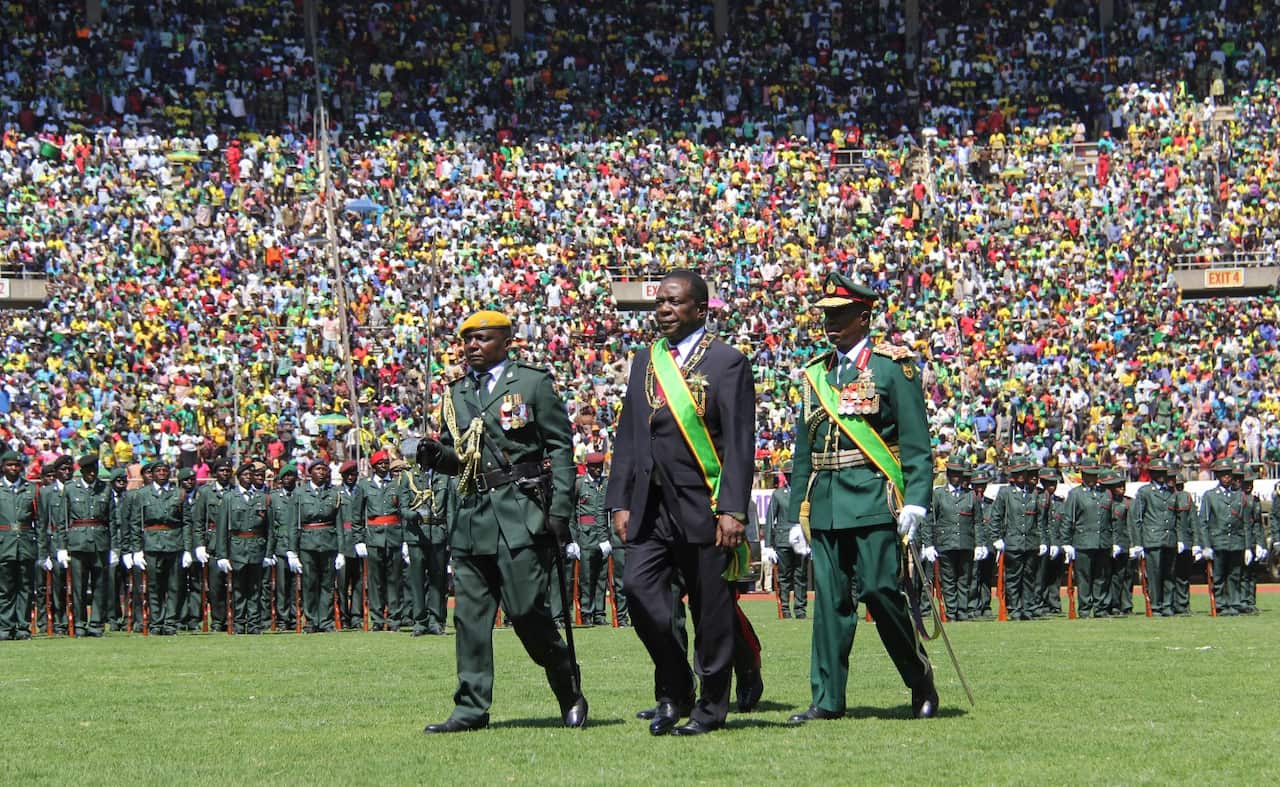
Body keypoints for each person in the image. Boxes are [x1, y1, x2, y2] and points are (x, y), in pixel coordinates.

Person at [416, 308, 586, 733]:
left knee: (528, 613)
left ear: (506, 341)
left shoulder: (531, 383)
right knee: (470, 618)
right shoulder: (454, 394)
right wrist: (439, 458)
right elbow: (466, 461)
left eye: (482, 339)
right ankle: (471, 707)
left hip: (520, 514)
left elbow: (560, 450)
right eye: (467, 340)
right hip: (473, 517)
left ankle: (567, 685)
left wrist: (561, 509)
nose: (471, 346)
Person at [606, 270, 755, 736]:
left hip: (704, 507)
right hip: (650, 508)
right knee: (639, 592)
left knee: (710, 612)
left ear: (699, 310)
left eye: (674, 303)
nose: (664, 311)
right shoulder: (644, 362)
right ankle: (675, 688)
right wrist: (619, 502)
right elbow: (629, 435)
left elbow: (739, 443)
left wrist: (732, 509)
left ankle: (709, 708)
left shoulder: (728, 362)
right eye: (660, 304)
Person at [784, 271, 936, 723]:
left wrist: (916, 501)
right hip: (828, 502)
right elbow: (803, 453)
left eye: (841, 315)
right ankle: (827, 699)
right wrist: (796, 515)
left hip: (872, 497)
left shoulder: (893, 368)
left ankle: (918, 676)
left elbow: (915, 442)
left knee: (879, 591)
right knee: (830, 604)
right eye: (826, 315)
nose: (830, 323)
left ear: (864, 316)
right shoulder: (818, 374)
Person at [54, 454, 114, 637]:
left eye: (95, 470)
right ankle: (79, 624)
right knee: (78, 587)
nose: (92, 474)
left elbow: (113, 520)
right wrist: (62, 547)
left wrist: (115, 547)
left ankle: (96, 624)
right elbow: (62, 520)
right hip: (78, 542)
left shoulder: (105, 488)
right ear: (82, 471)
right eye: (88, 471)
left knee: (99, 585)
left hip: (100, 542)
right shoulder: (71, 489)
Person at [130, 460, 190, 635]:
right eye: (159, 471)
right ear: (153, 473)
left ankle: (170, 622)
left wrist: (187, 549)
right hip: (151, 544)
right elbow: (135, 523)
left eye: (165, 470)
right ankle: (156, 622)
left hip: (174, 543)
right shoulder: (142, 494)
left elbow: (186, 523)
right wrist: (137, 549)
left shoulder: (179, 493)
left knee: (174, 585)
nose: (162, 473)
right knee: (154, 586)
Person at [215, 462, 274, 634]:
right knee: (239, 589)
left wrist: (269, 553)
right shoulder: (229, 498)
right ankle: (239, 623)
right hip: (237, 547)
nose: (248, 477)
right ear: (238, 477)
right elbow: (222, 529)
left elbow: (269, 529)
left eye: (251, 475)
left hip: (257, 547)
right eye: (245, 475)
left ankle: (255, 624)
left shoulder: (262, 497)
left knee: (256, 589)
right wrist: (222, 555)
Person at [356, 450, 411, 631]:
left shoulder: (397, 484)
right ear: (373, 467)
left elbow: (403, 512)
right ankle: (378, 619)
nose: (384, 467)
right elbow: (356, 515)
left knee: (394, 580)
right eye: (380, 464)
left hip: (394, 536)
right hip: (373, 537)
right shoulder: (364, 486)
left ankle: (394, 618)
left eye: (386, 464)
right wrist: (359, 540)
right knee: (375, 581)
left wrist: (404, 540)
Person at [401, 451, 454, 635]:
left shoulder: (444, 478)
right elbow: (402, 506)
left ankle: (436, 620)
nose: (427, 460)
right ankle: (420, 620)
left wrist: (451, 537)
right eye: (423, 457)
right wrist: (412, 515)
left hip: (438, 533)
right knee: (416, 580)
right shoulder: (408, 477)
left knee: (437, 579)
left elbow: (450, 509)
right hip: (416, 534)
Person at [920, 460, 981, 621]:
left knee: (964, 578)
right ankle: (951, 611)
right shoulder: (939, 494)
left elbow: (978, 522)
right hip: (945, 543)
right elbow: (929, 520)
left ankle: (962, 610)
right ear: (947, 475)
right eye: (953, 474)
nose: (956, 477)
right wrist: (928, 544)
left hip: (965, 543)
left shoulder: (971, 495)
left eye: (959, 474)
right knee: (948, 579)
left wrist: (980, 544)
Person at [1194, 459, 1254, 615]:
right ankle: (1220, 604)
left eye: (1229, 475)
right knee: (1219, 575)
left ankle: (1234, 603)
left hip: (1236, 541)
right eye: (1223, 475)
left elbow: (1246, 523)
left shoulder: (1240, 496)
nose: (1227, 478)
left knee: (1235, 574)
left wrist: (1248, 547)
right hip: (1218, 541)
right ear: (1218, 476)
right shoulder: (1210, 496)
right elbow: (1204, 522)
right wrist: (1206, 545)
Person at [290, 460, 342, 632]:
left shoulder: (334, 493)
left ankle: (326, 621)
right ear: (310, 472)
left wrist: (341, 550)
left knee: (327, 584)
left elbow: (339, 523)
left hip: (329, 542)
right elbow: (293, 524)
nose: (322, 472)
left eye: (324, 469)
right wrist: (293, 551)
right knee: (309, 583)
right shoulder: (299, 493)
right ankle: (311, 621)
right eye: (318, 469)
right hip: (307, 543)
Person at [1061, 465, 1115, 618]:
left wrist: (1112, 541)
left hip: (1102, 542)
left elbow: (1111, 519)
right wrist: (1067, 543)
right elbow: (1068, 519)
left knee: (1101, 577)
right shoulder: (1075, 494)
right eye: (1088, 475)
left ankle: (1101, 608)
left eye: (1094, 475)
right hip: (1083, 541)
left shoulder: (1105, 493)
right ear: (1083, 475)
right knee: (1084, 577)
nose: (1091, 478)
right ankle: (1084, 609)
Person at [1127, 460, 1180, 616]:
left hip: (1169, 538)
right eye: (1158, 472)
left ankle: (1167, 605)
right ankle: (1156, 606)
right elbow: (1136, 518)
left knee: (1169, 574)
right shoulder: (1145, 492)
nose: (1162, 476)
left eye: (1164, 472)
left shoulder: (1171, 492)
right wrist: (1137, 543)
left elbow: (1175, 517)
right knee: (1155, 574)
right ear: (1152, 474)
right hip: (1152, 539)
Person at [0, 450, 40, 640]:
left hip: (25, 543)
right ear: (3, 467)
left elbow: (38, 520)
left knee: (25, 587)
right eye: (9, 465)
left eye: (16, 465)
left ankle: (23, 627)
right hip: (4, 544)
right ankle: (6, 627)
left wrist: (41, 546)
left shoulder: (31, 488)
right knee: (5, 588)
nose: (13, 468)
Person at [192, 458, 233, 630]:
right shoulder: (205, 492)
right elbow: (198, 520)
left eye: (227, 470)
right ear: (215, 473)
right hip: (213, 542)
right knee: (215, 585)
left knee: (234, 584)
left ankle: (235, 618)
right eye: (222, 470)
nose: (225, 473)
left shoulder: (236, 492)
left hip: (233, 542)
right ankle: (218, 620)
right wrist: (200, 544)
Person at [571, 452, 611, 626]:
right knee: (587, 578)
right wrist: (573, 539)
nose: (597, 470)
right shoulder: (580, 484)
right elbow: (572, 513)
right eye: (594, 467)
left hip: (603, 537)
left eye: (600, 467)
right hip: (585, 538)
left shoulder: (606, 484)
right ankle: (586, 612)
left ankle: (599, 613)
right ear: (587, 467)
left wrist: (607, 538)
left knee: (602, 578)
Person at [764, 462, 808, 619]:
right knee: (784, 576)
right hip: (783, 540)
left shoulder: (805, 494)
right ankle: (785, 609)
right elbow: (770, 519)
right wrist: (768, 545)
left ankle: (800, 609)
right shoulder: (778, 494)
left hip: (802, 540)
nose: (790, 477)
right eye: (788, 474)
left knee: (800, 576)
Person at [38, 455, 72, 635]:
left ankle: (76, 619)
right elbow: (43, 523)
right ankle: (59, 620)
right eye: (63, 469)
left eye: (69, 469)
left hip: (74, 542)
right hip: (54, 543)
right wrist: (43, 554)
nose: (67, 473)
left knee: (76, 583)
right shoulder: (46, 492)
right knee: (57, 582)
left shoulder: (75, 489)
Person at [268, 463, 300, 631]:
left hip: (297, 546)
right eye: (285, 476)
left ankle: (296, 617)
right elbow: (271, 525)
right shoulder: (274, 497)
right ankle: (282, 619)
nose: (288, 479)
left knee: (297, 585)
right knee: (281, 586)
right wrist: (270, 550)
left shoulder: (300, 495)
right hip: (280, 546)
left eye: (291, 476)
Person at [336, 460, 366, 630]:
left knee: (358, 581)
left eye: (353, 474)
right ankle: (343, 616)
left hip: (358, 540)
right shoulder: (337, 493)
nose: (351, 477)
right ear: (342, 476)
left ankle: (356, 615)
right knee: (342, 582)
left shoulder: (361, 491)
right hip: (342, 541)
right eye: (348, 475)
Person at [1103, 471, 1134, 615]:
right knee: (1111, 576)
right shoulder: (1106, 503)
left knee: (1126, 576)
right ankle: (1112, 604)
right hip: (1109, 543)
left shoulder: (1128, 503)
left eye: (1123, 485)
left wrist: (1134, 544)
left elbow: (1131, 526)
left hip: (1125, 543)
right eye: (1118, 486)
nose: (1122, 488)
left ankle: (1126, 605)